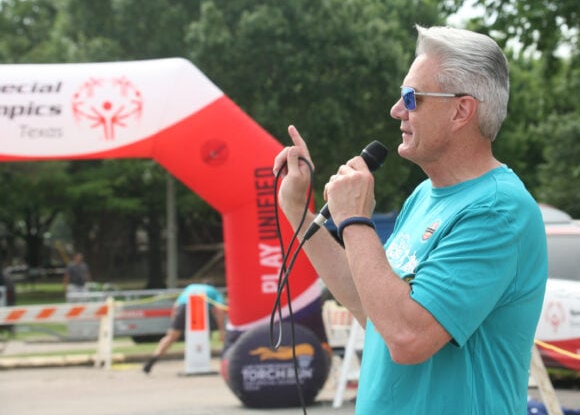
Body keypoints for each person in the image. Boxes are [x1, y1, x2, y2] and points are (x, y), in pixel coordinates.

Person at [273, 25, 548, 413]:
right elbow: (373, 307)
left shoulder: (498, 211)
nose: (397, 110)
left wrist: (354, 220)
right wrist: (299, 214)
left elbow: (408, 337)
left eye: (411, 97)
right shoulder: (424, 196)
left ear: (461, 111)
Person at [142, 282, 226, 374]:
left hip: (183, 307)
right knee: (204, 334)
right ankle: (209, 358)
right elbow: (219, 310)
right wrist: (221, 331)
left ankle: (153, 360)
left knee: (170, 337)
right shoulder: (214, 291)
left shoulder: (190, 287)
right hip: (201, 307)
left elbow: (176, 306)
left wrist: (174, 323)